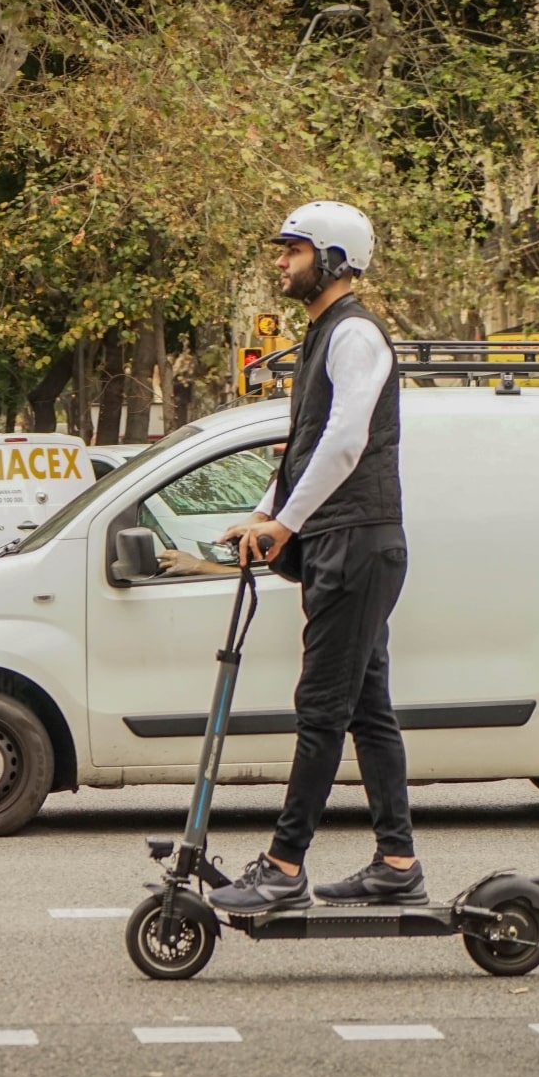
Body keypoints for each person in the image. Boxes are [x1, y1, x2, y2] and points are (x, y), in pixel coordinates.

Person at [208, 200, 423, 915]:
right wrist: (268, 514)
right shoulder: (322, 336)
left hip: (356, 539)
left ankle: (284, 864)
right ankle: (397, 862)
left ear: (331, 258)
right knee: (368, 708)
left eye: (293, 250)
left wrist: (286, 523)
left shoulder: (355, 335)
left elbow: (344, 444)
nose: (280, 260)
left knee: (322, 707)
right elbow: (305, 443)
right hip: (344, 539)